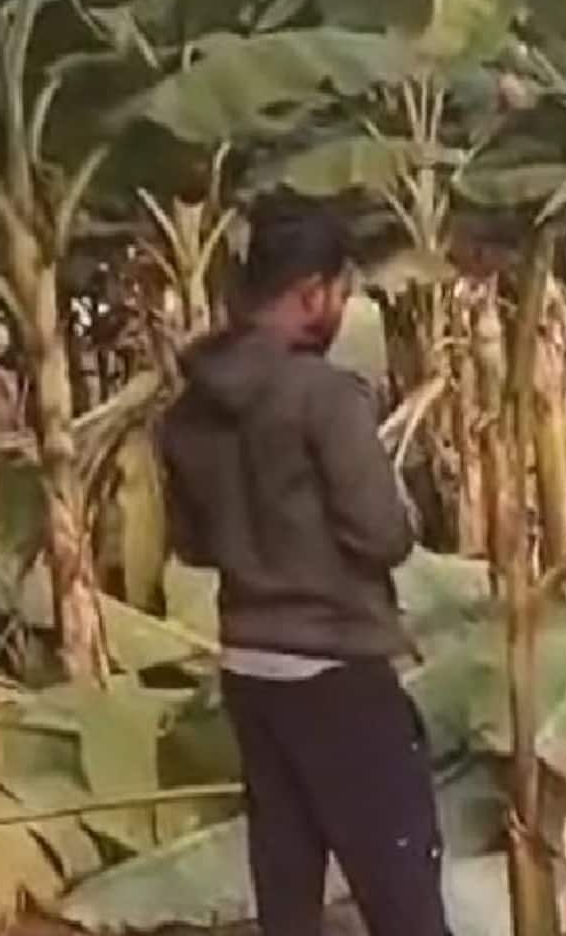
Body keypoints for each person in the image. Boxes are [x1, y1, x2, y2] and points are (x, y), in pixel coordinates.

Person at [157, 193, 446, 936]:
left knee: (287, 888)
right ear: (312, 291)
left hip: (250, 669)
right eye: (342, 294)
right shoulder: (324, 397)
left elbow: (191, 546)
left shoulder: (187, 412)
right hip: (336, 673)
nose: (342, 310)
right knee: (401, 889)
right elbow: (383, 537)